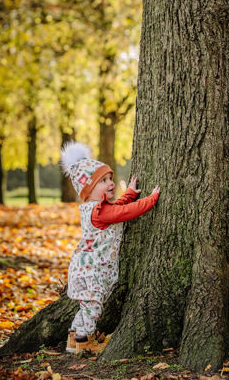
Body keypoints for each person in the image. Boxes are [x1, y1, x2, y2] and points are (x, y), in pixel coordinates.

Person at [60, 141, 160, 354]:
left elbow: (117, 207)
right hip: (91, 271)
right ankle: (84, 342)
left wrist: (130, 194)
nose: (111, 183)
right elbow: (125, 213)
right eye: (103, 181)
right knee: (93, 307)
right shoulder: (99, 212)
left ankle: (74, 338)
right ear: (88, 189)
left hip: (86, 268)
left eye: (110, 178)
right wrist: (150, 201)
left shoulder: (96, 208)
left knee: (86, 307)